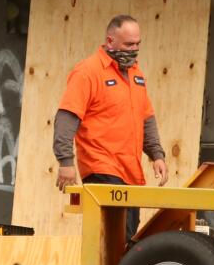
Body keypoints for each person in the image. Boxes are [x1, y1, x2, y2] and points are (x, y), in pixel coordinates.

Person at [53, 14, 168, 240]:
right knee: (113, 235)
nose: (134, 49)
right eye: (128, 44)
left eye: (137, 44)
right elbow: (66, 117)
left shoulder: (136, 74)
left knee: (127, 234)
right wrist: (65, 161)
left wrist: (157, 155)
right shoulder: (88, 72)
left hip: (130, 170)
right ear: (110, 41)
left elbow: (146, 118)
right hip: (102, 167)